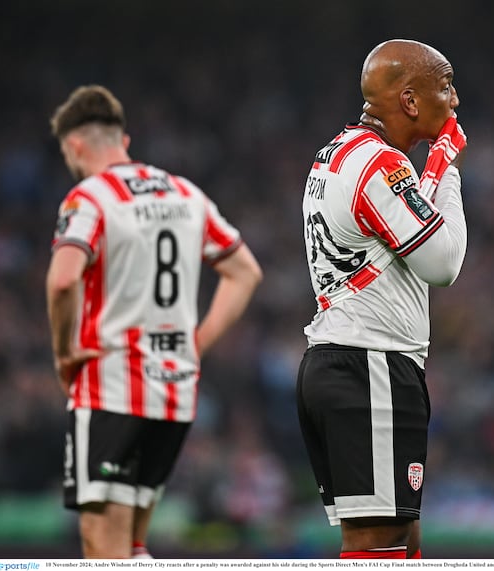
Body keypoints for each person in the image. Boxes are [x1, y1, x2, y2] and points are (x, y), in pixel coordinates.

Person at [46, 85, 263, 558]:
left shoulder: (90, 197)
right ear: (123, 142)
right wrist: (197, 343)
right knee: (134, 546)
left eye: (67, 154)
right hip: (173, 392)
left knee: (102, 545)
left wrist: (64, 353)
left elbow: (63, 281)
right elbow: (245, 271)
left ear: (76, 145)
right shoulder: (184, 193)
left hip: (112, 385)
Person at [296, 39, 468, 559]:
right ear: (411, 102)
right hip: (370, 367)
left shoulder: (335, 154)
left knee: (401, 541)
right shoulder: (380, 166)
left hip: (342, 361)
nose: (455, 99)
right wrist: (447, 165)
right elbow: (443, 263)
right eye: (445, 85)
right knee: (377, 548)